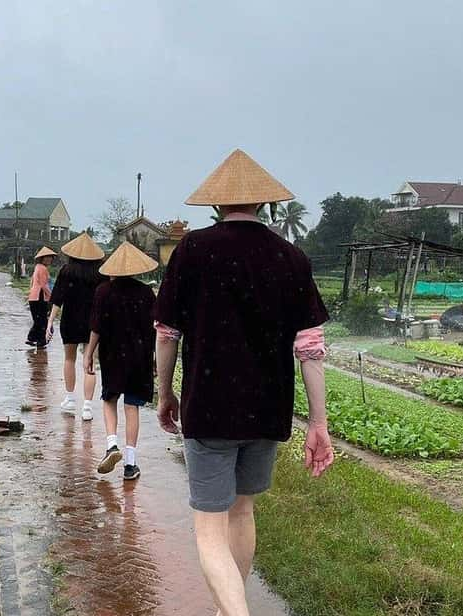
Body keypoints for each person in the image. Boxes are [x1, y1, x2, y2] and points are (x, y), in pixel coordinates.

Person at [154, 149, 334, 616]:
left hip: (209, 406)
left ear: (216, 206)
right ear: (265, 205)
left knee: (209, 529)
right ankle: (226, 608)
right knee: (242, 511)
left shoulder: (192, 250)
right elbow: (311, 349)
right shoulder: (291, 257)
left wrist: (165, 392)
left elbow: (167, 335)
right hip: (267, 409)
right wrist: (320, 423)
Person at [84, 241, 158, 481]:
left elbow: (96, 326)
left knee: (109, 399)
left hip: (113, 355)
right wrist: (155, 359)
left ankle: (111, 445)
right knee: (132, 407)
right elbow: (154, 330)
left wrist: (89, 354)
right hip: (139, 356)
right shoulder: (147, 293)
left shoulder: (104, 291)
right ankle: (130, 464)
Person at [47, 233, 105, 420]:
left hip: (70, 321)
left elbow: (57, 299)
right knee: (90, 363)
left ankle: (70, 398)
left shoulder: (66, 271)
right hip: (93, 323)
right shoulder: (100, 273)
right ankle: (87, 406)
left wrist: (50, 322)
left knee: (69, 360)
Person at [26, 246, 56, 348]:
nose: (49, 260)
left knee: (38, 319)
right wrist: (52, 297)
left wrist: (29, 294)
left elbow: (32, 283)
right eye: (47, 258)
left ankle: (33, 338)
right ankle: (40, 340)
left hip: (33, 297)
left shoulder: (37, 267)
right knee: (42, 320)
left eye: (50, 258)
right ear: (42, 258)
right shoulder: (42, 268)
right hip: (39, 297)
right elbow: (44, 285)